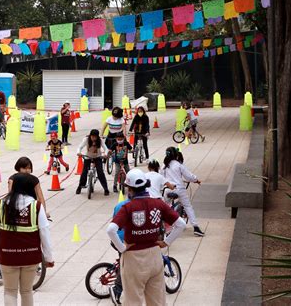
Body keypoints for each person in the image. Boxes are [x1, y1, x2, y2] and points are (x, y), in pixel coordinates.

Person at [107, 169, 186, 306]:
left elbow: (111, 230)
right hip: (155, 257)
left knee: (133, 301)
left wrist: (122, 248)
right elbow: (181, 224)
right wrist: (166, 242)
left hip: (133, 259)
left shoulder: (127, 207)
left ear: (130, 189)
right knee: (158, 301)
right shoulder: (158, 204)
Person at [0, 175, 54, 306]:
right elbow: (44, 232)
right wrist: (48, 258)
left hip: (8, 257)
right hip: (30, 257)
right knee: (26, 291)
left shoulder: (1, 204)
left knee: (9, 291)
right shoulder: (36, 206)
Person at [0, 157, 48, 286]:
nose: (27, 170)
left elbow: (40, 196)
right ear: (18, 168)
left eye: (29, 167)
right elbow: (10, 195)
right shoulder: (13, 179)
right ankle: (0, 270)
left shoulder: (34, 180)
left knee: (37, 235)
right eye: (24, 167)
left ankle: (35, 263)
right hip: (15, 211)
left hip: (32, 209)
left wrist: (44, 212)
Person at [161, 147, 205, 237]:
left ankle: (162, 225)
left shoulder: (164, 166)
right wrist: (196, 180)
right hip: (179, 189)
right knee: (188, 206)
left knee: (165, 206)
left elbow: (161, 178)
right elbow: (189, 177)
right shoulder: (178, 165)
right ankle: (196, 227)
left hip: (167, 189)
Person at [75, 129, 109, 196]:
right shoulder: (86, 139)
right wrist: (78, 152)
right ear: (90, 136)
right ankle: (80, 186)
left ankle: (106, 189)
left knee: (100, 173)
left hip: (98, 157)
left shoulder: (100, 141)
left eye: (95, 137)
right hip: (88, 157)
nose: (94, 138)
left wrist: (105, 154)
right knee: (84, 172)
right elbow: (80, 147)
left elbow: (106, 148)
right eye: (92, 136)